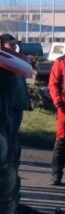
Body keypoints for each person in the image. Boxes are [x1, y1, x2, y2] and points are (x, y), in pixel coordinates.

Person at [0, 33, 32, 138]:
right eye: (11, 45)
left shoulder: (13, 61)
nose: (14, 48)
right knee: (7, 137)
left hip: (17, 107)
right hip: (9, 108)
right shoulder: (1, 62)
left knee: (12, 138)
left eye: (14, 45)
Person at [49, 53, 65, 186]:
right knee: (61, 141)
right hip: (64, 109)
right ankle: (56, 175)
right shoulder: (60, 62)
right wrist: (59, 102)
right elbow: (53, 85)